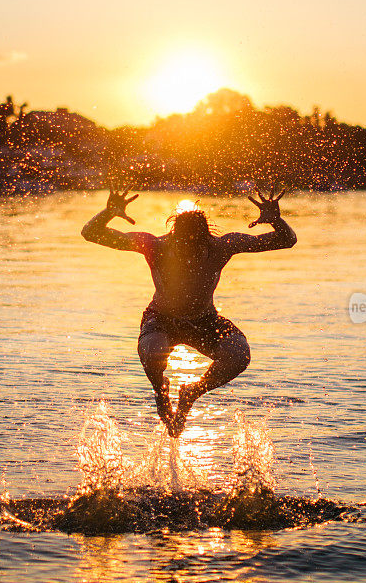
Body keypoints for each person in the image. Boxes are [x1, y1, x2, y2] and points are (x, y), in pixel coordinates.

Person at [81, 185, 297, 436]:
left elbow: (286, 240)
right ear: (173, 236)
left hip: (205, 320)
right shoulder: (155, 245)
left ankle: (191, 392)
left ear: (206, 238)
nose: (189, 253)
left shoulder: (222, 246)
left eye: (196, 246)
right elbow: (91, 233)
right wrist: (108, 213)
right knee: (152, 353)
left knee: (239, 356)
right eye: (183, 245)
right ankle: (160, 390)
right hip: (160, 320)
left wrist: (276, 220)